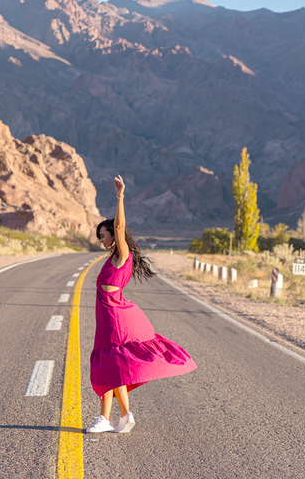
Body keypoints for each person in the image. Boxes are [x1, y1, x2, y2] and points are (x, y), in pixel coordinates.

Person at [87, 175, 197, 434]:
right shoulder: (112, 258)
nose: (101, 241)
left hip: (114, 314)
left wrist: (120, 196)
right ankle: (124, 416)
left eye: (103, 236)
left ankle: (104, 419)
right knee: (113, 366)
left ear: (114, 236)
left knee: (107, 364)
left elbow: (119, 226)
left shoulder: (121, 253)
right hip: (108, 314)